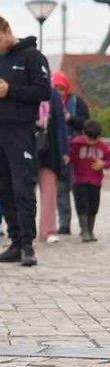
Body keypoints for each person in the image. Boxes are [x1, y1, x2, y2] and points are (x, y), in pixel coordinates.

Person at [0, 15, 51, 267]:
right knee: (1, 187)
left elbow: (43, 92)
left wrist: (11, 91)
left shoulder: (32, 56)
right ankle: (15, 242)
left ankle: (28, 246)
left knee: (22, 187)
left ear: (7, 30)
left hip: (20, 131)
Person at [53, 70, 89, 235]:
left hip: (77, 153)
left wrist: (70, 119)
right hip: (59, 152)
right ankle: (64, 224)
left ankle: (85, 225)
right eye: (56, 88)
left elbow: (87, 124)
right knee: (61, 191)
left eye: (61, 88)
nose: (59, 92)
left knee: (79, 189)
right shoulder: (48, 103)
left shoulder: (77, 102)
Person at [36, 86, 69, 243]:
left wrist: (64, 151)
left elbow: (60, 124)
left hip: (49, 150)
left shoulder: (52, 94)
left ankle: (48, 230)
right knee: (24, 193)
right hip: (26, 147)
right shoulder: (22, 89)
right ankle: (24, 229)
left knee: (49, 192)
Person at [68, 120, 108, 241]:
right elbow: (70, 157)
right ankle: (84, 231)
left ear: (99, 137)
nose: (91, 142)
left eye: (94, 139)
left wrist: (104, 163)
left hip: (96, 181)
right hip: (80, 180)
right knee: (82, 205)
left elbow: (109, 159)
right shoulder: (76, 143)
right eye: (89, 138)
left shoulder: (103, 146)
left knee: (93, 206)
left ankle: (91, 230)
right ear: (83, 133)